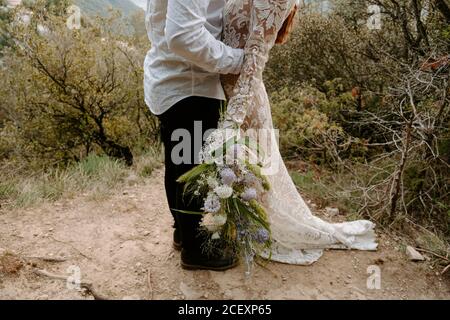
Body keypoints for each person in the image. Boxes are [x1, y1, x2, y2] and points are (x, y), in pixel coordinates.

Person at [220, 0, 377, 265]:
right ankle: (236, 227)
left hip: (244, 102)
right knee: (243, 172)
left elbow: (256, 57)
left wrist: (233, 117)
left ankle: (255, 231)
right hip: (220, 91)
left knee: (256, 176)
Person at [144, 0, 244, 271]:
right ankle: (196, 249)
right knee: (192, 169)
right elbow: (183, 36)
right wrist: (239, 60)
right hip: (188, 84)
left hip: (172, 79)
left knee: (179, 166)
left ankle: (183, 231)